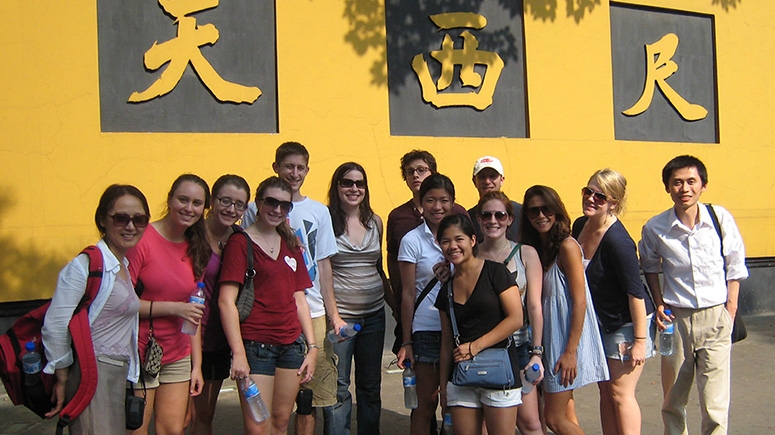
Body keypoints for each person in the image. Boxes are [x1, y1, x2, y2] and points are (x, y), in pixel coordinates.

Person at [639, 155, 747, 435]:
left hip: (716, 317)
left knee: (715, 403)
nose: (684, 188)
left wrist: (730, 309)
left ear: (703, 185)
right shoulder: (655, 228)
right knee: (673, 399)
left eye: (691, 181)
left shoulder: (719, 219)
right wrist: (659, 302)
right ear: (667, 188)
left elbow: (735, 266)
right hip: (677, 321)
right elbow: (649, 267)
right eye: (677, 182)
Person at [244, 142, 344, 435]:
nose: (295, 173)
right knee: (269, 406)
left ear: (308, 170)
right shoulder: (255, 209)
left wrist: (333, 313)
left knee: (308, 397)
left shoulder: (319, 211)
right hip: (269, 316)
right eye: (289, 166)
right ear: (276, 167)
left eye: (301, 167)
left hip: (310, 310)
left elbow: (324, 266)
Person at [42, 184, 150, 434]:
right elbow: (56, 323)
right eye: (121, 218)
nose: (131, 226)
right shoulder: (85, 265)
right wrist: (62, 375)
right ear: (102, 219)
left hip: (117, 372)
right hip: (92, 374)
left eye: (139, 219)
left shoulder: (122, 264)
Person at [219, 176, 318, 435]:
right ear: (259, 203)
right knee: (257, 427)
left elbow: (299, 298)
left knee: (280, 421)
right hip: (255, 346)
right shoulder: (240, 243)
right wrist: (238, 353)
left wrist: (312, 347)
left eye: (284, 205)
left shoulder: (290, 243)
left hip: (291, 346)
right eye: (271, 202)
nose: (277, 210)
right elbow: (226, 301)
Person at [571, 169, 655, 435]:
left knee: (621, 393)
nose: (591, 199)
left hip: (627, 324)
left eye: (600, 196)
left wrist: (640, 342)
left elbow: (636, 294)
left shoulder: (619, 242)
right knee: (605, 390)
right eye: (588, 192)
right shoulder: (579, 226)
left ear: (614, 203)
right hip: (600, 323)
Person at [519, 185, 608, 435]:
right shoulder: (535, 249)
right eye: (533, 211)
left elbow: (580, 301)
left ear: (556, 210)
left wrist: (570, 351)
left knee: (554, 418)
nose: (540, 216)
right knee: (567, 412)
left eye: (545, 209)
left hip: (564, 341)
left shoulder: (567, 247)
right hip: (545, 340)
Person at [127, 174, 210, 435]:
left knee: (172, 429)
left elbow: (193, 313)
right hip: (140, 352)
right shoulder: (142, 240)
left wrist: (196, 366)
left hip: (178, 355)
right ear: (170, 199)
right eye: (183, 199)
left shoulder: (196, 246)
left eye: (197, 203)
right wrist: (174, 308)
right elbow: (122, 304)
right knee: (136, 429)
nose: (189, 208)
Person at [435, 214, 524, 435]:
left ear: (473, 240)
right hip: (461, 377)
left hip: (499, 372)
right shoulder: (446, 289)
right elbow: (446, 344)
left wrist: (475, 346)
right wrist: (445, 388)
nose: (452, 246)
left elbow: (516, 318)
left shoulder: (496, 273)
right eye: (445, 241)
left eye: (459, 239)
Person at [475, 191, 545, 435]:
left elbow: (534, 306)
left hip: (520, 348)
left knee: (530, 423)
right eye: (486, 214)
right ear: (479, 218)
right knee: (485, 424)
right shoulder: (470, 255)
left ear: (510, 220)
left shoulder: (526, 253)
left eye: (500, 215)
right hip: (484, 349)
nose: (493, 220)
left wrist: (537, 353)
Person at [396, 173, 460, 435]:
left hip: (459, 331)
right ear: (421, 203)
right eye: (431, 200)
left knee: (454, 404)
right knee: (425, 404)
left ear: (453, 203)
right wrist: (407, 340)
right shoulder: (412, 240)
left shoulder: (463, 237)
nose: (437, 207)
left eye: (444, 200)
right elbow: (408, 294)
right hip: (426, 332)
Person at [386, 150, 468, 354]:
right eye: (410, 171)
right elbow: (395, 266)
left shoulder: (460, 217)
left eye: (421, 170)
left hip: (461, 317)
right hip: (424, 320)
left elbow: (474, 262)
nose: (415, 175)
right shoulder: (400, 220)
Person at [327, 162, 387, 435]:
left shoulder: (375, 222)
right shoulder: (326, 220)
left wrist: (394, 304)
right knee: (338, 386)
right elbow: (323, 271)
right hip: (341, 317)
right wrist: (334, 317)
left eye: (359, 183)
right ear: (336, 186)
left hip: (374, 316)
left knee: (370, 385)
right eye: (347, 182)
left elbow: (378, 265)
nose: (353, 188)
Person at [191, 175, 251, 435]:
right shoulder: (192, 235)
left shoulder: (239, 237)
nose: (231, 209)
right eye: (225, 201)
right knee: (180, 417)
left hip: (219, 339)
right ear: (212, 201)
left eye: (239, 204)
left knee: (204, 414)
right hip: (189, 335)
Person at [467, 156, 522, 243]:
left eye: (493, 176)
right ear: (474, 181)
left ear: (502, 180)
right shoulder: (468, 217)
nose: (487, 181)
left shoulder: (520, 212)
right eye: (482, 177)